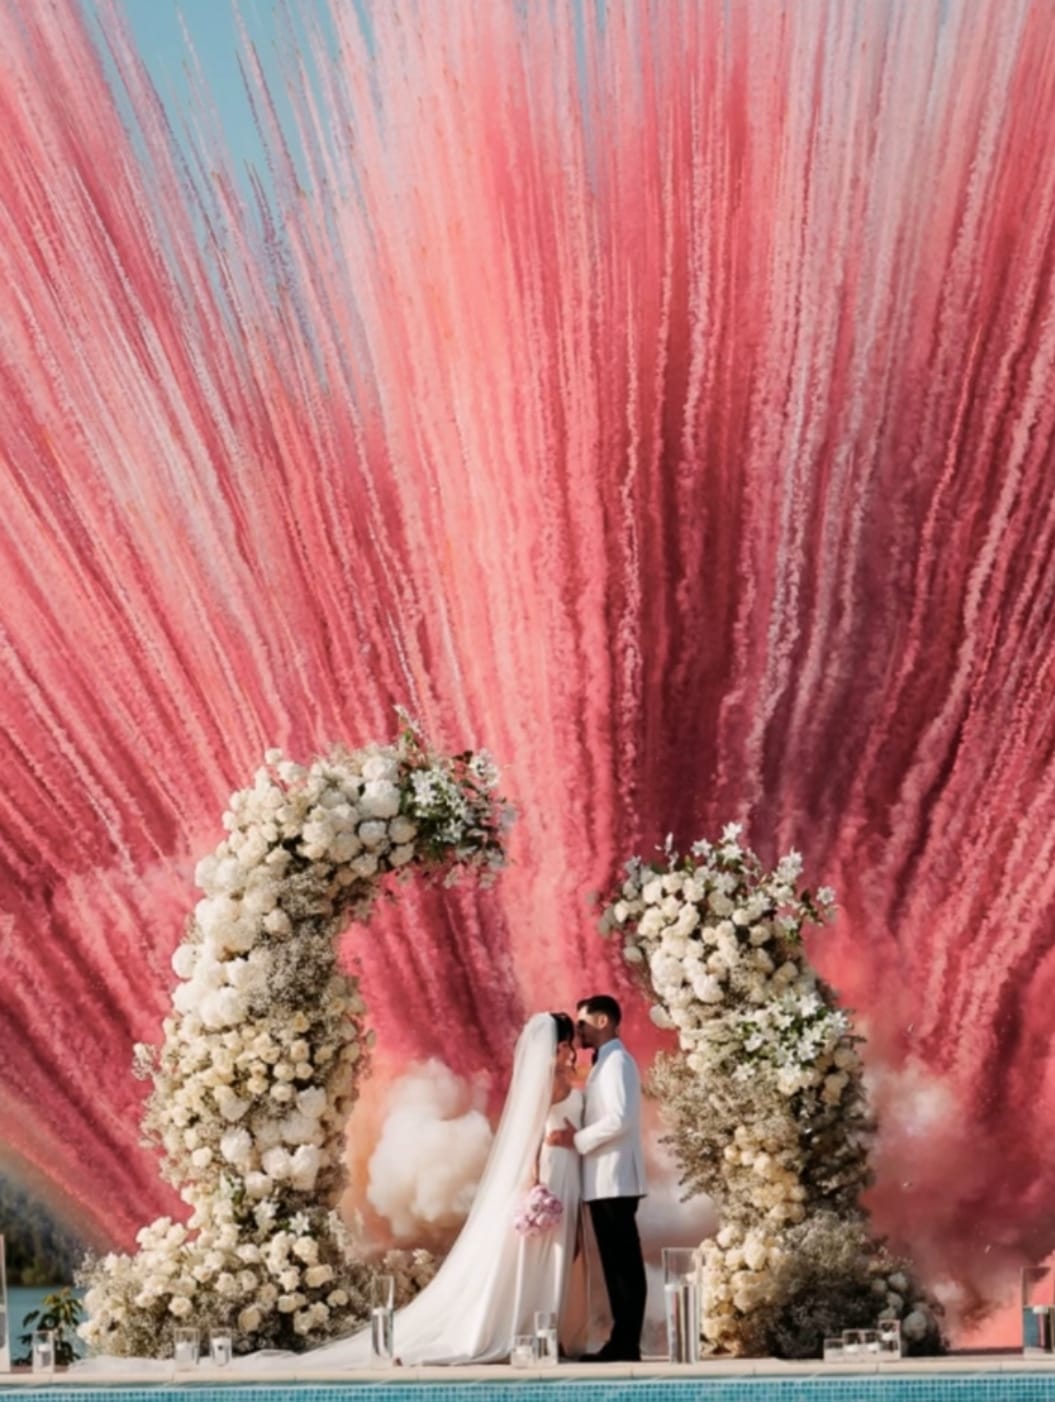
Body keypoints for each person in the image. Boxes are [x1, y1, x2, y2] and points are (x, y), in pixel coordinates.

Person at [303, 1010, 583, 1365]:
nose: (572, 1049)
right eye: (568, 1043)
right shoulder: (548, 1082)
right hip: (552, 1174)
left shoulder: (555, 1078)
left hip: (566, 1172)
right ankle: (527, 1330)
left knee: (551, 1254)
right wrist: (535, 1181)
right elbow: (531, 1134)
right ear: (559, 1045)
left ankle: (546, 1330)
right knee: (539, 1255)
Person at [548, 994, 646, 1362]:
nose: (579, 1031)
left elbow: (620, 1118)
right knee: (616, 1264)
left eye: (583, 1023)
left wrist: (577, 1140)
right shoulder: (606, 1061)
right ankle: (622, 1342)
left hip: (614, 1178)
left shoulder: (618, 1061)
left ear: (603, 1022)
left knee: (623, 1266)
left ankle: (626, 1344)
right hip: (603, 1179)